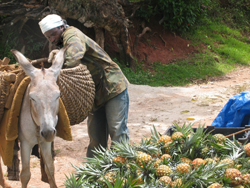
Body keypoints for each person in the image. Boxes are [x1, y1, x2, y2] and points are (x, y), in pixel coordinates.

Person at [39, 14, 129, 157]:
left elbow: (74, 58)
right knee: (96, 135)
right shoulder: (64, 40)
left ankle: (122, 170)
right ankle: (94, 173)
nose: (51, 39)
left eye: (53, 34)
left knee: (117, 130)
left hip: (112, 86)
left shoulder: (72, 35)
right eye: (48, 37)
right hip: (95, 91)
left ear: (62, 26)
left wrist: (54, 72)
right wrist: (58, 53)